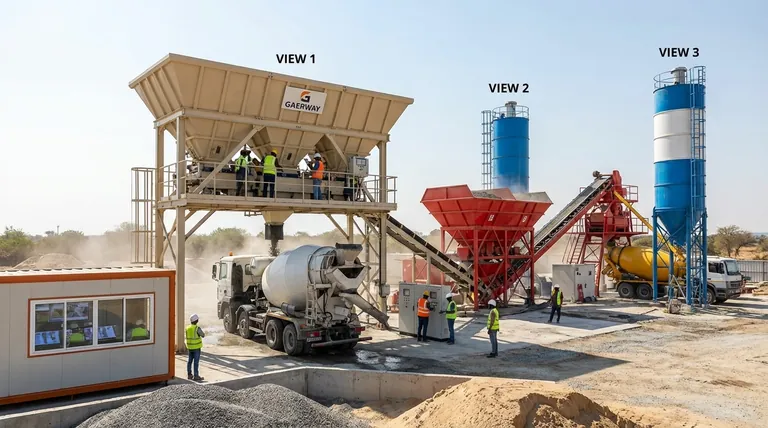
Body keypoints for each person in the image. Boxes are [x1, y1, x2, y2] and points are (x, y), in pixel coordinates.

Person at [185, 313, 205, 381]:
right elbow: (203, 335)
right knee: (196, 362)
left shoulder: (187, 328)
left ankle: (189, 375)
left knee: (189, 361)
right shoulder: (197, 328)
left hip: (189, 347)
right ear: (197, 321)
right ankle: (196, 376)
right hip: (196, 348)